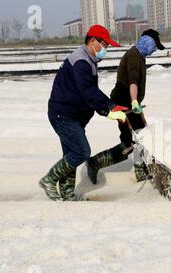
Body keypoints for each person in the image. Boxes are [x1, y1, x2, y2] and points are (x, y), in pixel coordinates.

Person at [39, 25, 126, 201]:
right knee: (81, 152)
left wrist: (111, 105)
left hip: (71, 115)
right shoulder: (81, 62)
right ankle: (49, 179)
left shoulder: (88, 60)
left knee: (70, 154)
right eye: (104, 44)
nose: (105, 49)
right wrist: (107, 111)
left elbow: (92, 90)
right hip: (64, 115)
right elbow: (88, 92)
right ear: (93, 41)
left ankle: (67, 194)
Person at [87, 29, 166, 185]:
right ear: (147, 42)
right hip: (124, 101)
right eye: (154, 46)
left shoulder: (139, 56)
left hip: (128, 100)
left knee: (138, 137)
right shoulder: (134, 57)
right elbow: (133, 82)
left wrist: (135, 102)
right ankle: (96, 162)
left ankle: (141, 170)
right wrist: (135, 101)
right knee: (135, 139)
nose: (155, 49)